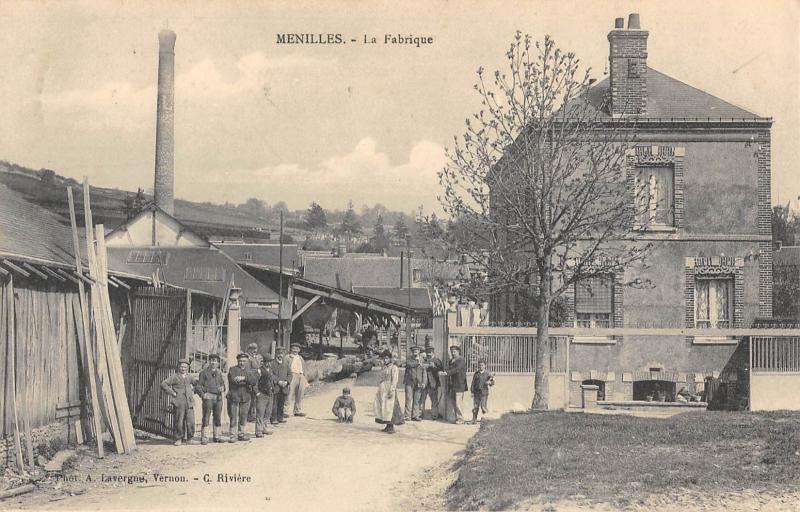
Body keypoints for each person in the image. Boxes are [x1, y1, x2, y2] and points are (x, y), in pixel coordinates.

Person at [160, 358, 197, 446]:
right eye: (181, 367)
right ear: (178, 367)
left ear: (188, 368)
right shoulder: (174, 377)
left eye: (185, 367)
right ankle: (178, 438)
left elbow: (197, 384)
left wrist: (193, 390)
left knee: (191, 420)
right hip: (179, 401)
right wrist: (172, 393)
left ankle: (190, 438)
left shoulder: (189, 377)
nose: (183, 369)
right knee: (179, 420)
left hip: (189, 401)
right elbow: (164, 384)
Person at [195, 354, 226, 444]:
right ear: (209, 362)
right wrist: (203, 395)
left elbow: (223, 384)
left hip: (218, 398)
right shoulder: (203, 373)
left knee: (217, 416)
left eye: (215, 361)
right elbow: (198, 386)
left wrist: (223, 388)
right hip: (208, 397)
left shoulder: (219, 373)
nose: (213, 363)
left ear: (218, 363)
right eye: (212, 360)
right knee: (206, 417)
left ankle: (217, 436)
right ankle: (205, 437)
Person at [228, 352, 258, 442]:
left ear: (247, 361)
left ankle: (241, 434)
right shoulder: (232, 369)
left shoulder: (250, 371)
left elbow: (253, 381)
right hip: (234, 396)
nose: (242, 363)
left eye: (244, 361)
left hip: (246, 396)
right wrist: (247, 381)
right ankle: (233, 435)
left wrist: (243, 378)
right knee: (233, 416)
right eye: (240, 361)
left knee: (243, 416)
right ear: (237, 361)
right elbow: (233, 380)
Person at [374, 350, 404, 434]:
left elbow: (395, 380)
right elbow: (381, 379)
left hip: (389, 388)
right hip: (383, 389)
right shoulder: (384, 368)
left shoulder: (394, 368)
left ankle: (391, 426)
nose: (385, 360)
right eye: (384, 359)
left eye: (387, 358)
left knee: (390, 407)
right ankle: (387, 425)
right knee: (384, 406)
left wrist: (392, 389)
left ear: (390, 359)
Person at [442, 345, 468, 424]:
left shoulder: (461, 360)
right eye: (451, 352)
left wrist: (447, 373)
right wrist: (444, 371)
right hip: (452, 385)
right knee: (453, 402)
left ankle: (460, 419)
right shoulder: (451, 361)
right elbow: (449, 369)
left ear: (458, 352)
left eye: (454, 352)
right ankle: (456, 418)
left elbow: (456, 369)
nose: (453, 353)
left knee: (458, 403)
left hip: (460, 384)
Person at [255, 353, 276, 438]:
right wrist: (257, 393)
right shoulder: (259, 370)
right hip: (262, 394)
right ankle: (258, 430)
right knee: (260, 412)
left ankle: (264, 428)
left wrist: (273, 389)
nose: (269, 363)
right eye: (267, 362)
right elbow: (255, 382)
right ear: (264, 362)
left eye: (270, 361)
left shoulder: (270, 370)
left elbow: (272, 380)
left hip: (270, 394)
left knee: (268, 412)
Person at [403, 345, 427, 422]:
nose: (415, 352)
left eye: (417, 350)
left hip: (419, 382)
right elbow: (409, 365)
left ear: (419, 352)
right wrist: (418, 363)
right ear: (412, 352)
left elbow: (424, 372)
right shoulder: (409, 359)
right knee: (408, 399)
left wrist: (424, 382)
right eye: (414, 351)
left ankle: (415, 415)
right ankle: (407, 415)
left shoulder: (422, 360)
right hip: (409, 382)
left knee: (417, 400)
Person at [286, 343, 308, 417]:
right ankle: (285, 411)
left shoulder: (300, 358)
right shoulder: (287, 357)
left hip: (301, 376)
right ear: (291, 349)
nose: (295, 350)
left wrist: (305, 378)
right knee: (289, 393)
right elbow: (285, 368)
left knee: (300, 394)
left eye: (297, 349)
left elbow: (304, 368)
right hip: (292, 375)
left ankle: (297, 411)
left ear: (299, 350)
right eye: (294, 348)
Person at [422, 345, 443, 420]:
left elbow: (441, 370)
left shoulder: (437, 361)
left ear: (433, 353)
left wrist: (434, 367)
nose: (428, 354)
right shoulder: (424, 361)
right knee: (422, 400)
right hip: (424, 384)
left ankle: (434, 415)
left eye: (430, 352)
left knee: (434, 400)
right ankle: (420, 414)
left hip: (433, 384)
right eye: (427, 353)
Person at [270, 347, 290, 425]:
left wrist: (287, 381)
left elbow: (290, 374)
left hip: (284, 387)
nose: (280, 355)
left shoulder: (286, 363)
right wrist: (278, 381)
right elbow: (271, 374)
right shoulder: (272, 363)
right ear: (276, 354)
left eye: (282, 354)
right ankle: (273, 418)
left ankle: (280, 417)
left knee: (281, 403)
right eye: (278, 354)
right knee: (274, 404)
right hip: (276, 387)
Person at [246, 343, 260, 422]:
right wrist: (256, 371)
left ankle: (252, 414)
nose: (254, 350)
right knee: (250, 398)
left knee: (254, 398)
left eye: (255, 349)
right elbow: (248, 370)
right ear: (249, 349)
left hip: (255, 380)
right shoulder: (248, 358)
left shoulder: (254, 358)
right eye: (252, 349)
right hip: (251, 380)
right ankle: (249, 416)